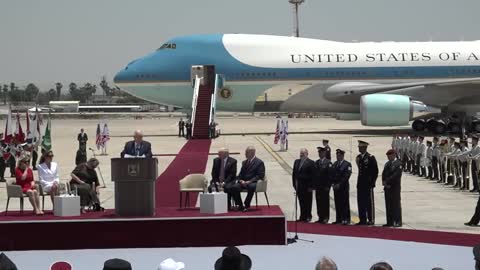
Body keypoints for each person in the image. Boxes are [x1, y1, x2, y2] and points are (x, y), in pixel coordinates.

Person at [230, 146, 265, 211]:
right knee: (235, 187)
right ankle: (240, 205)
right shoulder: (244, 162)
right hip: (243, 182)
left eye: (246, 152)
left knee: (251, 187)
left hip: (253, 182)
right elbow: (240, 174)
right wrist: (241, 180)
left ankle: (247, 204)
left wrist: (249, 181)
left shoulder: (259, 163)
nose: (245, 154)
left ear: (252, 153)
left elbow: (260, 175)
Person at [355, 140, 378, 225]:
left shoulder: (370, 157)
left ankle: (371, 219)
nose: (359, 148)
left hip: (368, 184)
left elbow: (375, 171)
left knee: (369, 202)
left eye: (360, 147)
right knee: (360, 202)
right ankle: (362, 219)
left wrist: (372, 183)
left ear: (364, 147)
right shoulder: (359, 157)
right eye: (359, 147)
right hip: (360, 183)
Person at [292, 148, 315, 222]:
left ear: (307, 154)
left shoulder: (311, 162)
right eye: (300, 153)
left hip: (307, 187)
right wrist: (294, 185)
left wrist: (311, 186)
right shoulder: (296, 162)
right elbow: (294, 174)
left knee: (308, 202)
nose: (301, 154)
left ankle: (308, 216)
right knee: (301, 202)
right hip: (299, 187)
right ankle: (302, 216)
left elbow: (313, 176)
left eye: (303, 153)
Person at [382, 149, 403, 227]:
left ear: (394, 155)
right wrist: (384, 182)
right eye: (387, 156)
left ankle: (398, 221)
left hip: (395, 188)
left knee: (396, 205)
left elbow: (396, 175)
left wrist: (387, 181)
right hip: (387, 188)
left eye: (389, 155)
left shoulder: (398, 164)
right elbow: (383, 174)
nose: (388, 157)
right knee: (388, 205)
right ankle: (389, 221)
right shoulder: (387, 164)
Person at [331, 149, 352, 225]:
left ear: (343, 156)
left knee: (345, 203)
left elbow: (346, 176)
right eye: (337, 155)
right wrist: (333, 184)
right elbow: (332, 175)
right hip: (336, 188)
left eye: (339, 155)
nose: (338, 156)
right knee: (337, 203)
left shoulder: (347, 164)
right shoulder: (335, 164)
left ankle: (346, 219)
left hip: (343, 187)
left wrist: (339, 184)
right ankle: (338, 219)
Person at [314, 146, 332, 224]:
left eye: (321, 152)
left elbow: (330, 176)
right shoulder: (316, 162)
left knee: (325, 202)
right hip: (318, 187)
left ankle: (326, 217)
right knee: (319, 202)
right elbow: (314, 175)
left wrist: (328, 186)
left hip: (325, 187)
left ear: (324, 153)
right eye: (319, 153)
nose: (320, 154)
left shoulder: (328, 163)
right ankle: (320, 217)